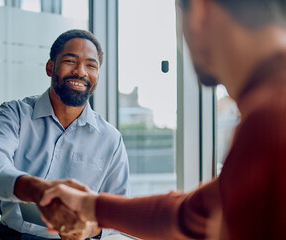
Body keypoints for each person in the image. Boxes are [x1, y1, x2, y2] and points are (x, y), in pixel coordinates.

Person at [39, 0, 286, 239]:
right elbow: (192, 215)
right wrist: (90, 205)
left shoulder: (269, 120)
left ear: (201, 11)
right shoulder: (268, 108)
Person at [0, 29, 130, 240]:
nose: (81, 72)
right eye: (71, 61)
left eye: (91, 65)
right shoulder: (14, 114)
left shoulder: (111, 139)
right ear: (50, 67)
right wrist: (37, 190)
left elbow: (118, 209)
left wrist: (90, 229)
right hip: (7, 236)